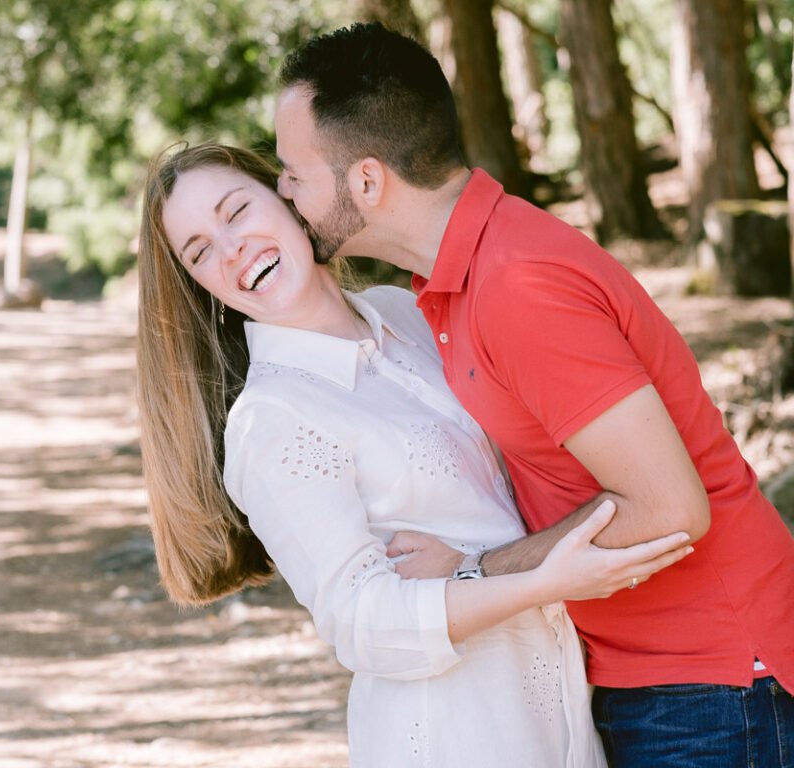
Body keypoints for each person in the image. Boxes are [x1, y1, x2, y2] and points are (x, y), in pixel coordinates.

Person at [272, 21, 794, 766]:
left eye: (294, 170)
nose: (282, 190)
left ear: (366, 180)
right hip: (657, 673)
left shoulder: (518, 285)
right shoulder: (456, 280)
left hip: (714, 681)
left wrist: (478, 568)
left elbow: (668, 508)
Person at [136, 141, 694, 767]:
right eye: (200, 251)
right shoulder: (271, 421)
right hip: (452, 732)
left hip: (565, 709)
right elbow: (363, 623)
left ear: (288, 197)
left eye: (235, 211)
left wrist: (485, 567)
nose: (230, 247)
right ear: (201, 285)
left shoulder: (405, 314)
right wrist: (541, 580)